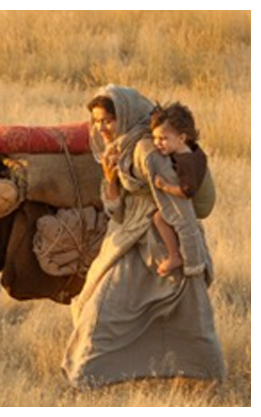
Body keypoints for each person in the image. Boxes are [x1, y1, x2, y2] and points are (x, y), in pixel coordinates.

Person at [61, 85, 225, 390]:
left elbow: (178, 209)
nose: (102, 128)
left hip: (163, 243)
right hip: (126, 239)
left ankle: (209, 380)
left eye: (107, 120)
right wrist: (111, 181)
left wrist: (192, 261)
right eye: (96, 122)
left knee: (189, 319)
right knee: (97, 309)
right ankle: (87, 381)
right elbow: (117, 211)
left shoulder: (146, 152)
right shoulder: (117, 150)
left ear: (124, 116)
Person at [148, 102, 213, 276]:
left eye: (163, 138)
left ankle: (175, 256)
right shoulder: (191, 150)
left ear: (182, 138)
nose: (157, 143)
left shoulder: (185, 161)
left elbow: (186, 192)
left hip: (196, 203)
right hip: (199, 198)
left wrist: (165, 186)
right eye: (154, 138)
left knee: (159, 218)